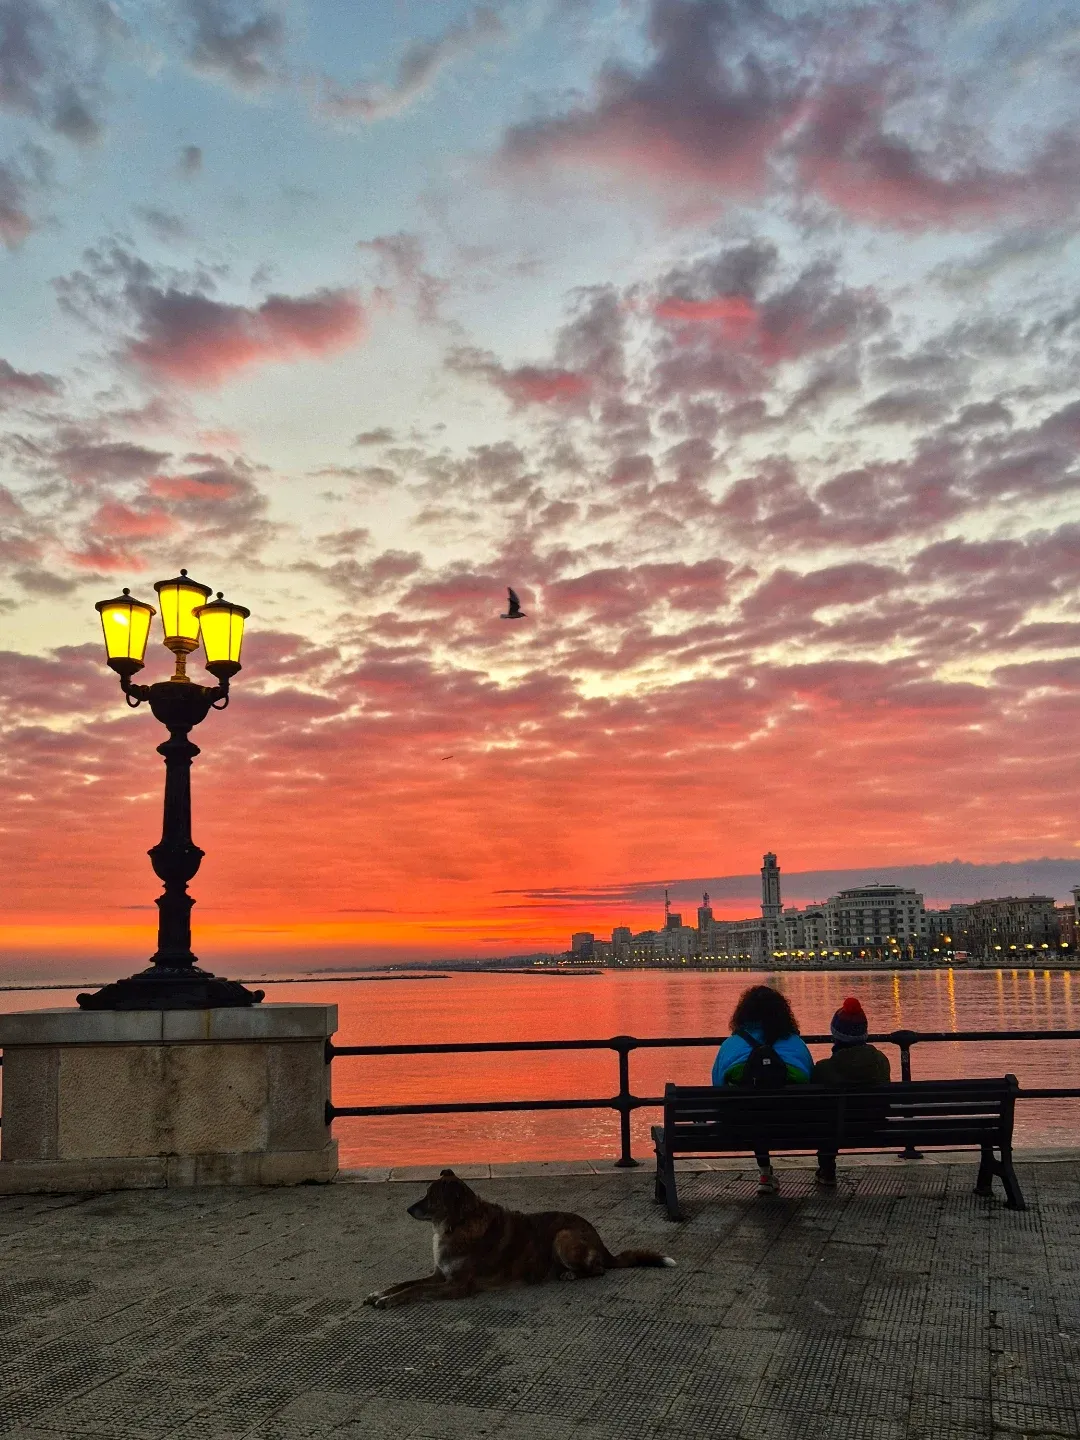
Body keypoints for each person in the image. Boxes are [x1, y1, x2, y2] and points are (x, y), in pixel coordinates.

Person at [712, 985, 813, 1194]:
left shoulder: (731, 1045)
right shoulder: (796, 1044)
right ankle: (827, 1171)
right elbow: (811, 1079)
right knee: (768, 1108)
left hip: (741, 1127)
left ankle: (765, 1172)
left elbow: (717, 1087)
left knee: (754, 1110)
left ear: (743, 1013)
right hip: (796, 1125)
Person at [811, 996, 891, 1188]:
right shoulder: (881, 1061)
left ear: (836, 1034)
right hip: (875, 1125)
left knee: (825, 1119)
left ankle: (827, 1170)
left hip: (837, 1129)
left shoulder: (824, 1068)